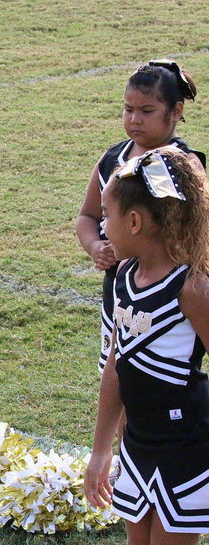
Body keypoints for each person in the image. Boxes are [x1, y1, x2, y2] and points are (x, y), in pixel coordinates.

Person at [85, 148, 209, 544]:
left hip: (188, 446)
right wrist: (101, 451)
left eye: (107, 216)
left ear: (135, 221)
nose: (102, 227)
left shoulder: (193, 287)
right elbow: (116, 368)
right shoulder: (122, 277)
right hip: (138, 442)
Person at [76, 59, 204, 373]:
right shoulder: (111, 159)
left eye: (146, 112)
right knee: (117, 375)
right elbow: (87, 216)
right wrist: (96, 247)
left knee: (160, 376)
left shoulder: (183, 166)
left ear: (175, 111)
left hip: (167, 295)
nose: (134, 120)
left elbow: (198, 229)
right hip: (119, 289)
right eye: (128, 109)